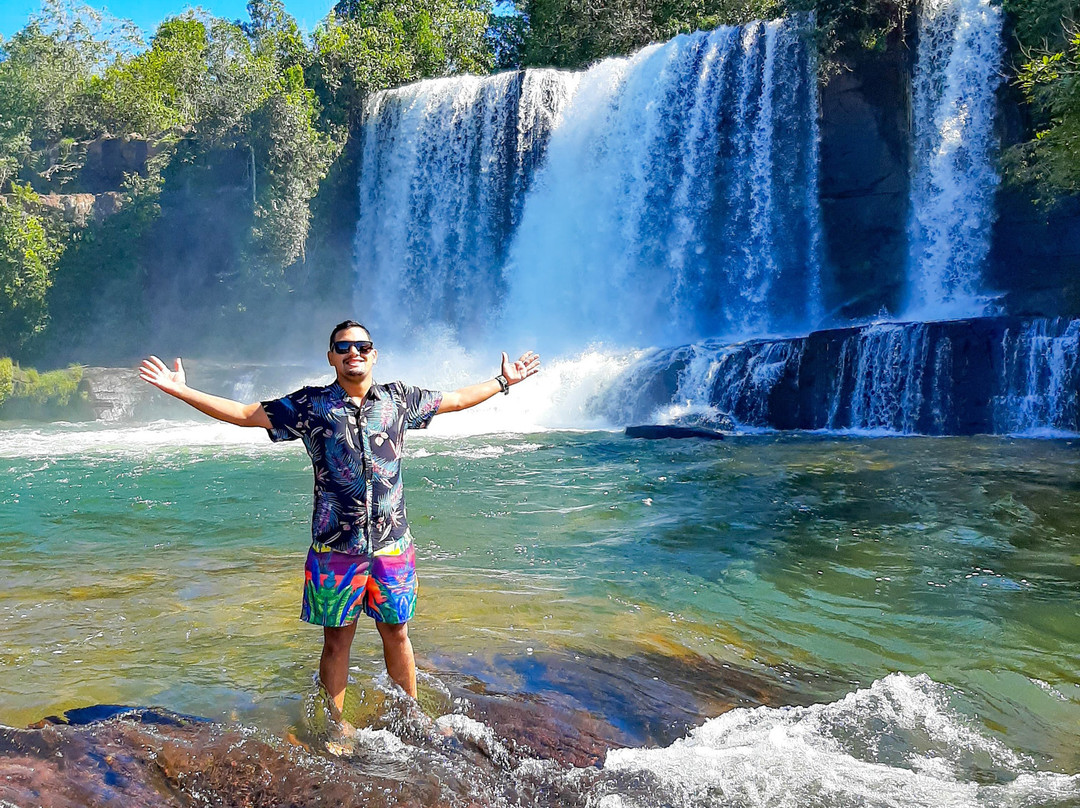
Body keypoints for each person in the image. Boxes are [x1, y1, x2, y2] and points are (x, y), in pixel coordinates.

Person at [140, 320, 540, 719]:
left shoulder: (398, 400)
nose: (354, 353)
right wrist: (181, 390)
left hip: (392, 545)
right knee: (335, 643)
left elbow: (454, 399)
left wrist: (502, 382)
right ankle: (335, 727)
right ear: (331, 356)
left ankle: (411, 717)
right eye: (344, 347)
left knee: (398, 635)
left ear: (374, 354)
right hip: (335, 550)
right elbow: (245, 414)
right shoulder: (310, 405)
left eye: (362, 346)